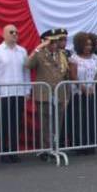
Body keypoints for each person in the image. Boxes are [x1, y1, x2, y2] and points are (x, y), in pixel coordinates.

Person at [0, 24, 30, 163]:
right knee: (3, 123)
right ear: (4, 34)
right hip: (3, 94)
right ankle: (4, 150)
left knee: (16, 123)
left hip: (18, 93)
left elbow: (26, 72)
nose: (14, 34)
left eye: (16, 32)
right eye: (11, 32)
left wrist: (27, 90)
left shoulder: (22, 51)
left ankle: (13, 150)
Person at [25, 30, 69, 160]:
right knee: (45, 123)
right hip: (44, 95)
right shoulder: (40, 55)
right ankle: (46, 149)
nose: (54, 44)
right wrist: (38, 48)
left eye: (56, 41)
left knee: (58, 123)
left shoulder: (62, 55)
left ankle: (55, 148)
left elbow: (65, 76)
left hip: (59, 94)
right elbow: (27, 65)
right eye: (51, 41)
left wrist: (67, 95)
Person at [68, 32, 97, 154]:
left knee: (90, 119)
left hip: (91, 93)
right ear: (80, 45)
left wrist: (93, 86)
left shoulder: (95, 58)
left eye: (90, 44)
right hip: (78, 94)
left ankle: (90, 144)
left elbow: (96, 74)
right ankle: (79, 145)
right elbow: (73, 75)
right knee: (79, 119)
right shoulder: (75, 58)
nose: (89, 47)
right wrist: (82, 88)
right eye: (86, 45)